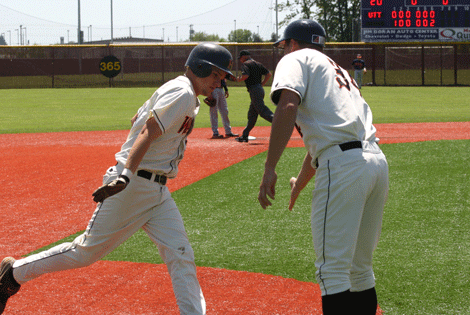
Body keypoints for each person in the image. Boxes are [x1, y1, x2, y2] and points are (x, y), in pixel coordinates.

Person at [0, 42, 234, 315]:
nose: (219, 82)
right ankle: (13, 273)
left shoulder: (180, 91)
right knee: (85, 252)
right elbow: (148, 130)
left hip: (156, 192)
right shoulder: (181, 93)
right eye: (215, 75)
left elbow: (138, 116)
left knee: (180, 254)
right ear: (200, 67)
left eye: (221, 77)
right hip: (134, 185)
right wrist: (125, 175)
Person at [258, 19, 389, 315]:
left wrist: (270, 167)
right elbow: (328, 138)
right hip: (375, 163)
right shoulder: (338, 69)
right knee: (360, 270)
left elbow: (288, 106)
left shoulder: (295, 58)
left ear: (292, 43)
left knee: (332, 272)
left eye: (284, 46)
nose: (283, 52)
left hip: (344, 167)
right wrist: (300, 184)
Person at [233, 50, 273, 143]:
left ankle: (278, 121)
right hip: (259, 89)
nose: (240, 60)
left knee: (262, 110)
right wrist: (262, 84)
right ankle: (245, 135)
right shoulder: (258, 63)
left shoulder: (246, 64)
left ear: (244, 57)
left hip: (254, 90)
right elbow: (269, 74)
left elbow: (245, 75)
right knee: (252, 114)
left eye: (240, 58)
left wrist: (239, 79)